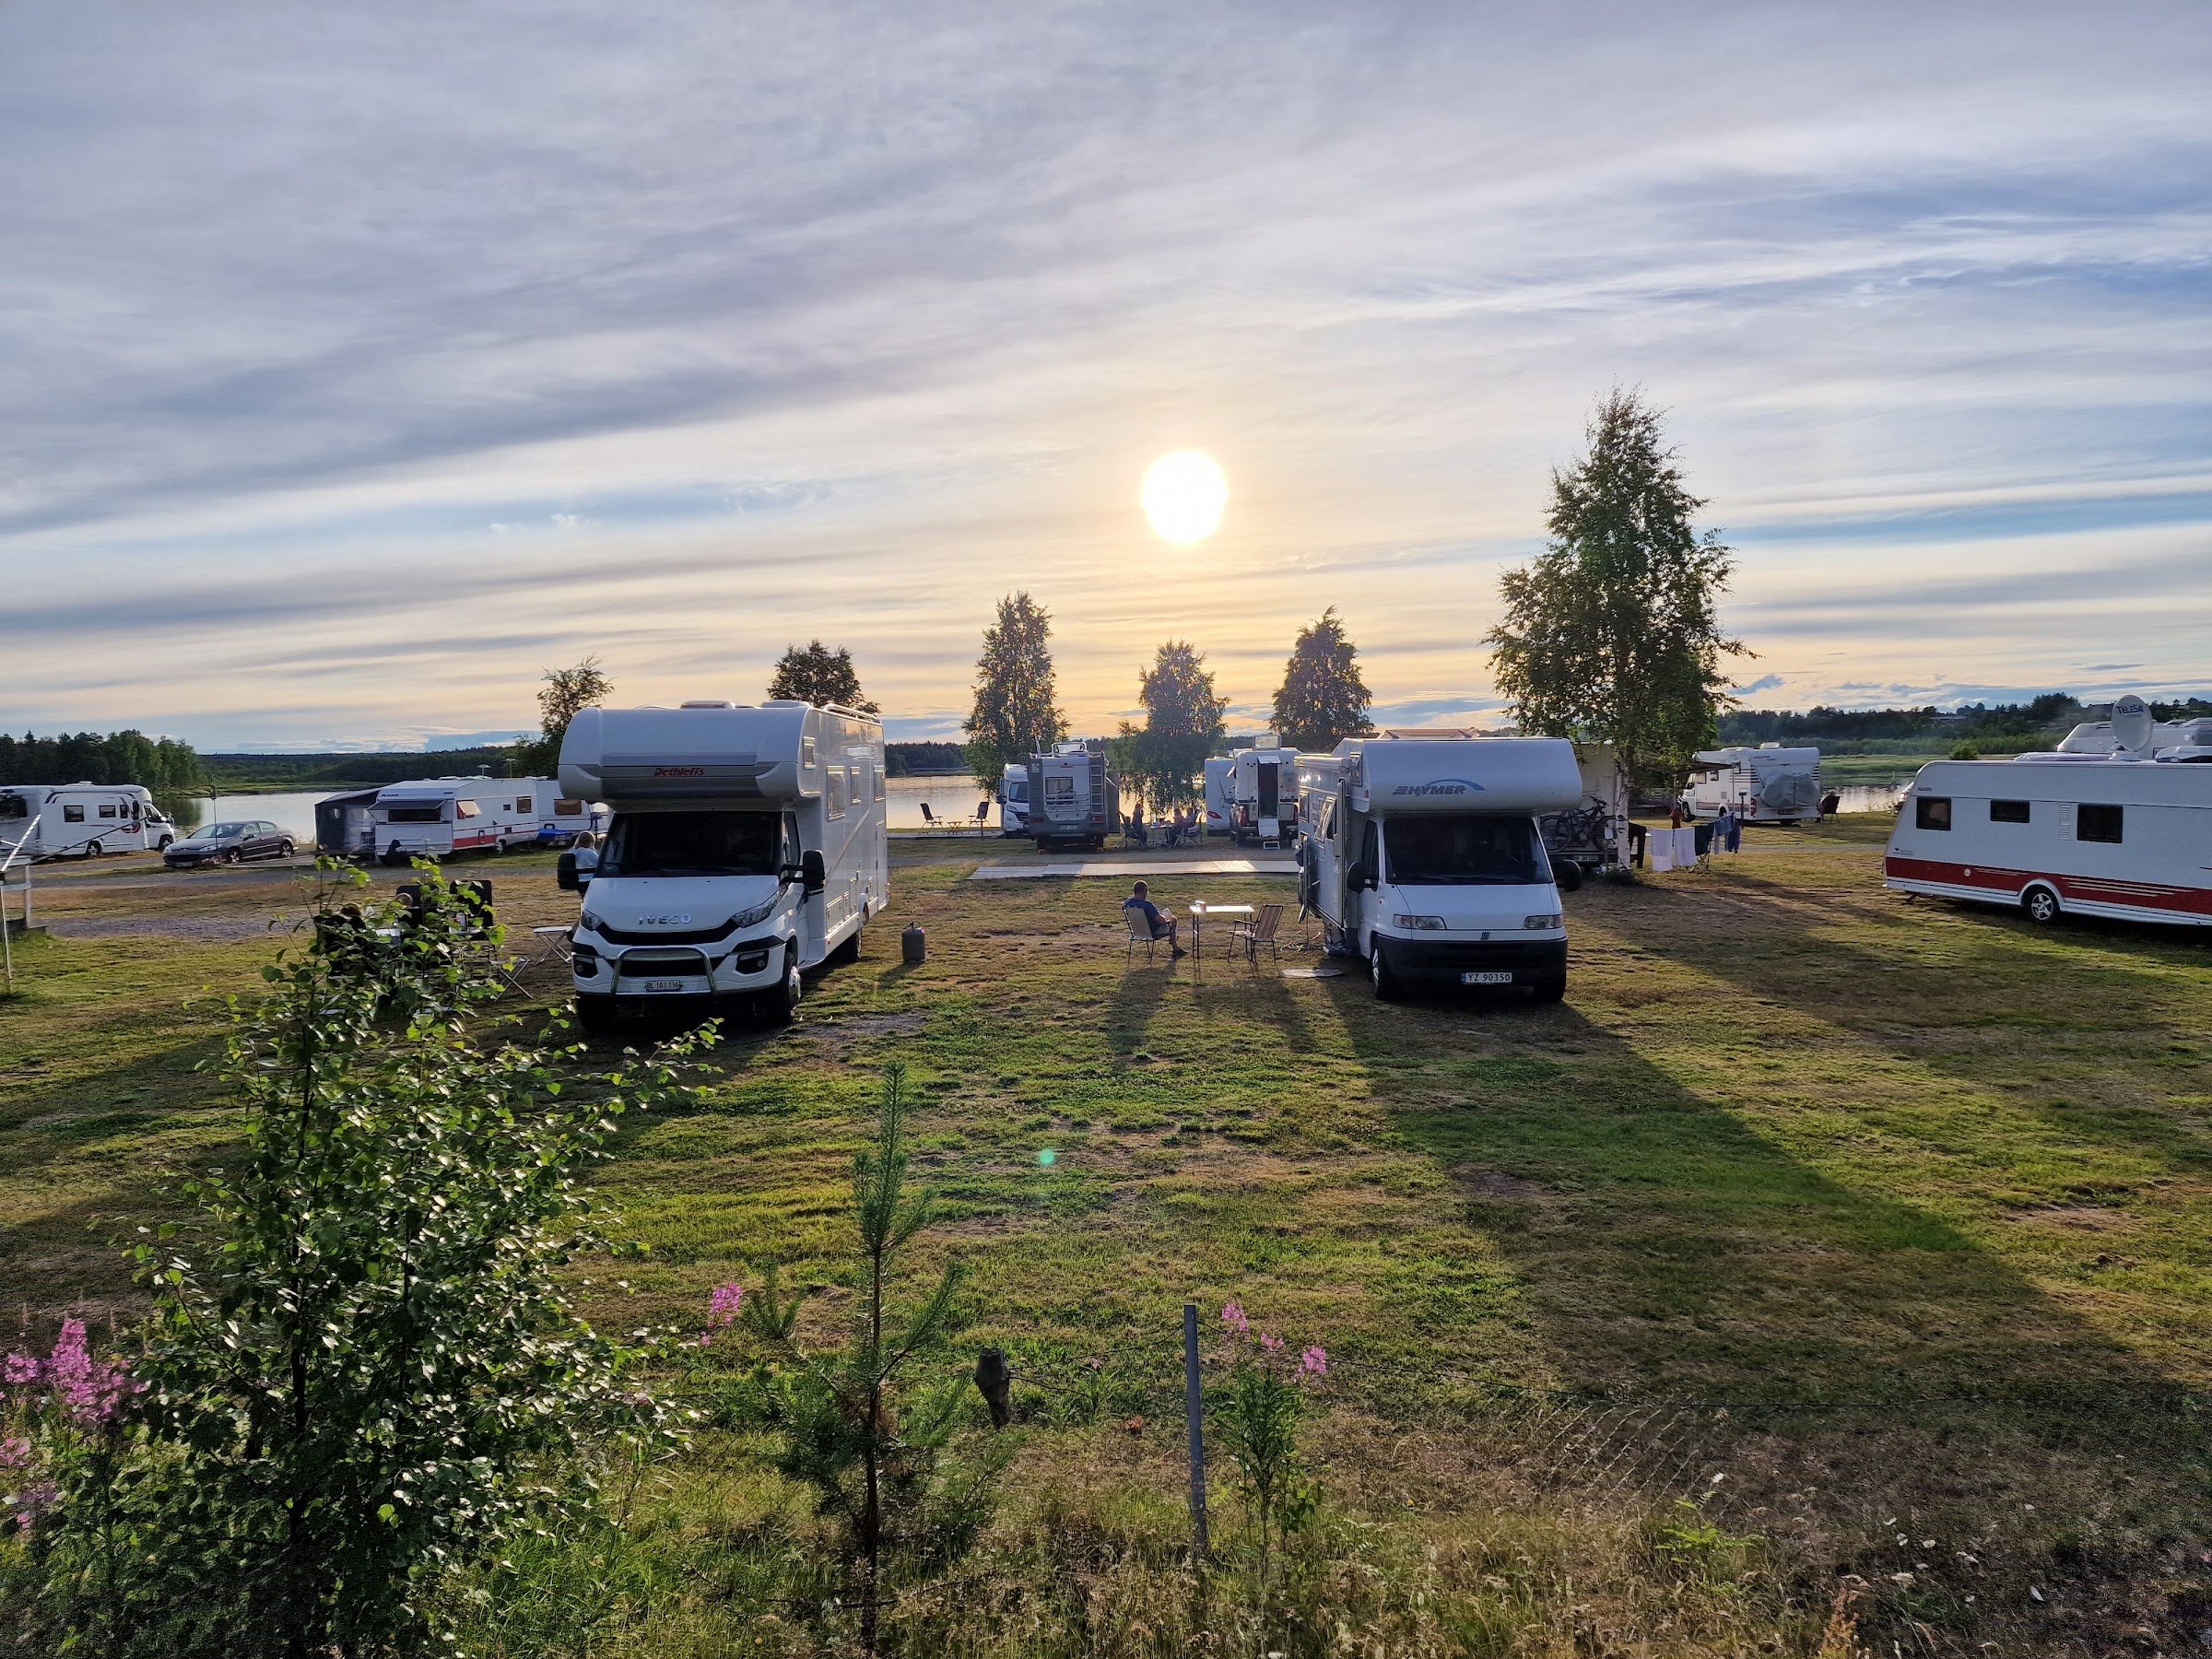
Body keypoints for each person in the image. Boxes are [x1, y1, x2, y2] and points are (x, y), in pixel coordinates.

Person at [1124, 880, 1185, 957]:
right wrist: (1163, 916)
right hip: (1152, 931)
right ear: (1144, 890)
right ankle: (1175, 948)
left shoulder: (1128, 903)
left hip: (1138, 931)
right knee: (1173, 919)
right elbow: (1162, 921)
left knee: (1165, 913)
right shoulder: (1147, 905)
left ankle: (1172, 941)